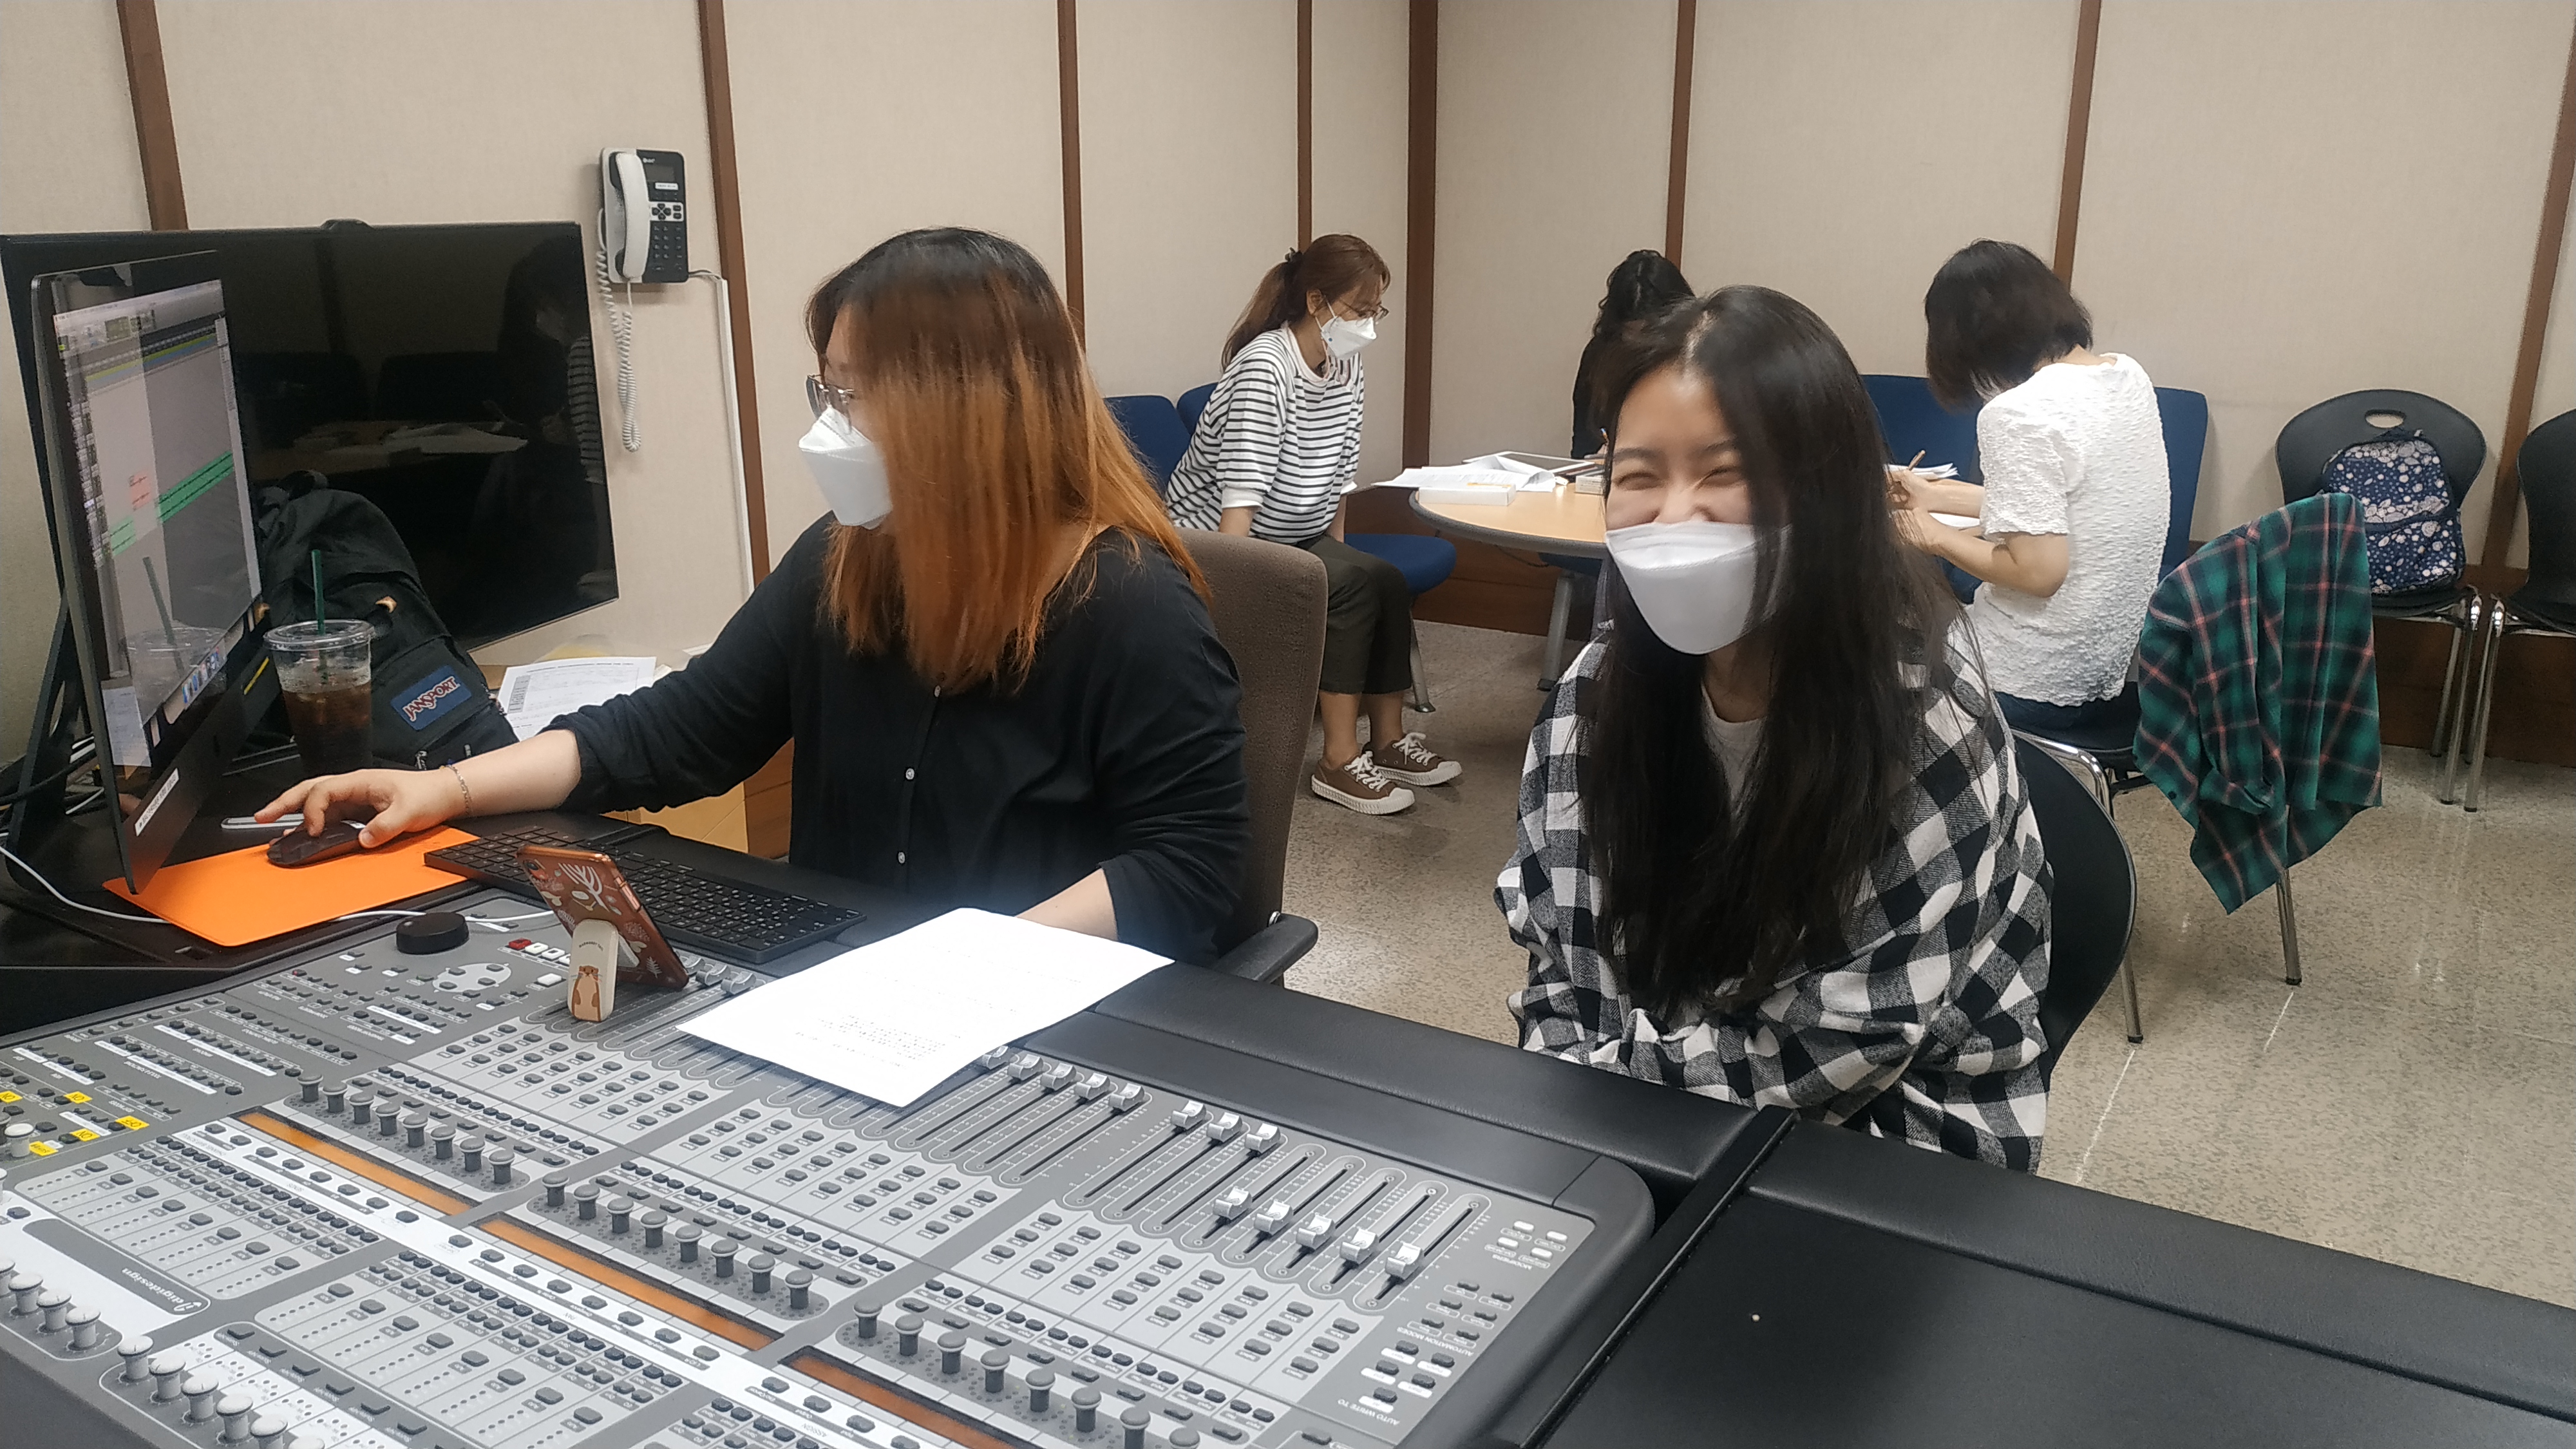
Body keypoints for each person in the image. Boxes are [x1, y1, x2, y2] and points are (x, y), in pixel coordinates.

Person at [260, 228, 1250, 962]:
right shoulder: (846, 559)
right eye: (827, 390)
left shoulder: (1135, 607)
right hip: (853, 981)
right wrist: (449, 788)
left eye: (854, 396)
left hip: (1029, 1009)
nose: (829, 428)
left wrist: (958, 968)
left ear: (965, 417)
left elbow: (1188, 869)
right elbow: (677, 727)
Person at [1497, 285, 2053, 1170]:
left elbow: (1839, 1049)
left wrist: (1601, 1102)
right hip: (1631, 1115)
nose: (1674, 515)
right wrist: (1575, 1128)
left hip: (1887, 1146)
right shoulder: (1595, 691)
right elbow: (1562, 968)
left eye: (1724, 474)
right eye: (1638, 477)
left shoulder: (1926, 716)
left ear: (1826, 490)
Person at [1164, 236, 1459, 817]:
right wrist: (1232, 595)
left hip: (1292, 535)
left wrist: (1345, 555)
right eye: (1359, 310)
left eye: (1376, 311)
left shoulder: (1346, 365)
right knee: (1345, 586)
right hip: (1217, 542)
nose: (1368, 324)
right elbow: (1240, 497)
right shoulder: (1266, 367)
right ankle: (1338, 762)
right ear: (1317, 301)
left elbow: (1341, 474)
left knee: (1382, 579)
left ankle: (1389, 741)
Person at [1888, 238, 2171, 734]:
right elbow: (2063, 508)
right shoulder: (2126, 375)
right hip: (2111, 670)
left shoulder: (2019, 413)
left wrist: (1930, 535)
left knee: (1860, 654)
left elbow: (2039, 573)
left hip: (2024, 683)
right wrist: (1936, 496)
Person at [1571, 249, 1694, 458]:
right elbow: (1583, 444)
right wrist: (1600, 456)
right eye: (1630, 332)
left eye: (1650, 331)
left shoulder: (1698, 354)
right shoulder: (1599, 356)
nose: (1640, 342)